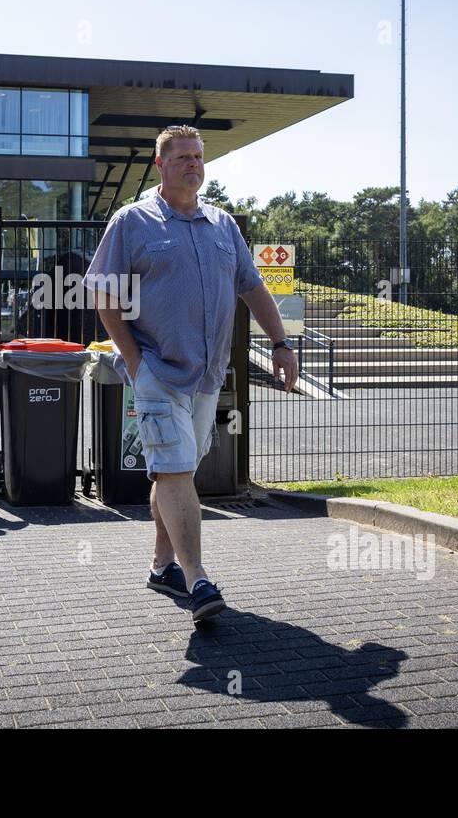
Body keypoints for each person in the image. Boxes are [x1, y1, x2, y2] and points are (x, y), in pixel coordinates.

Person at [85, 125, 299, 622]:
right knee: (178, 468)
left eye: (198, 157)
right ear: (161, 165)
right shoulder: (132, 222)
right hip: (157, 370)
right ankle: (198, 578)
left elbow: (254, 288)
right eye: (182, 157)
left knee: (175, 469)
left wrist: (283, 343)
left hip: (208, 376)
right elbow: (105, 296)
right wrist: (136, 362)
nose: (193, 165)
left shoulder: (223, 225)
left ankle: (162, 564)